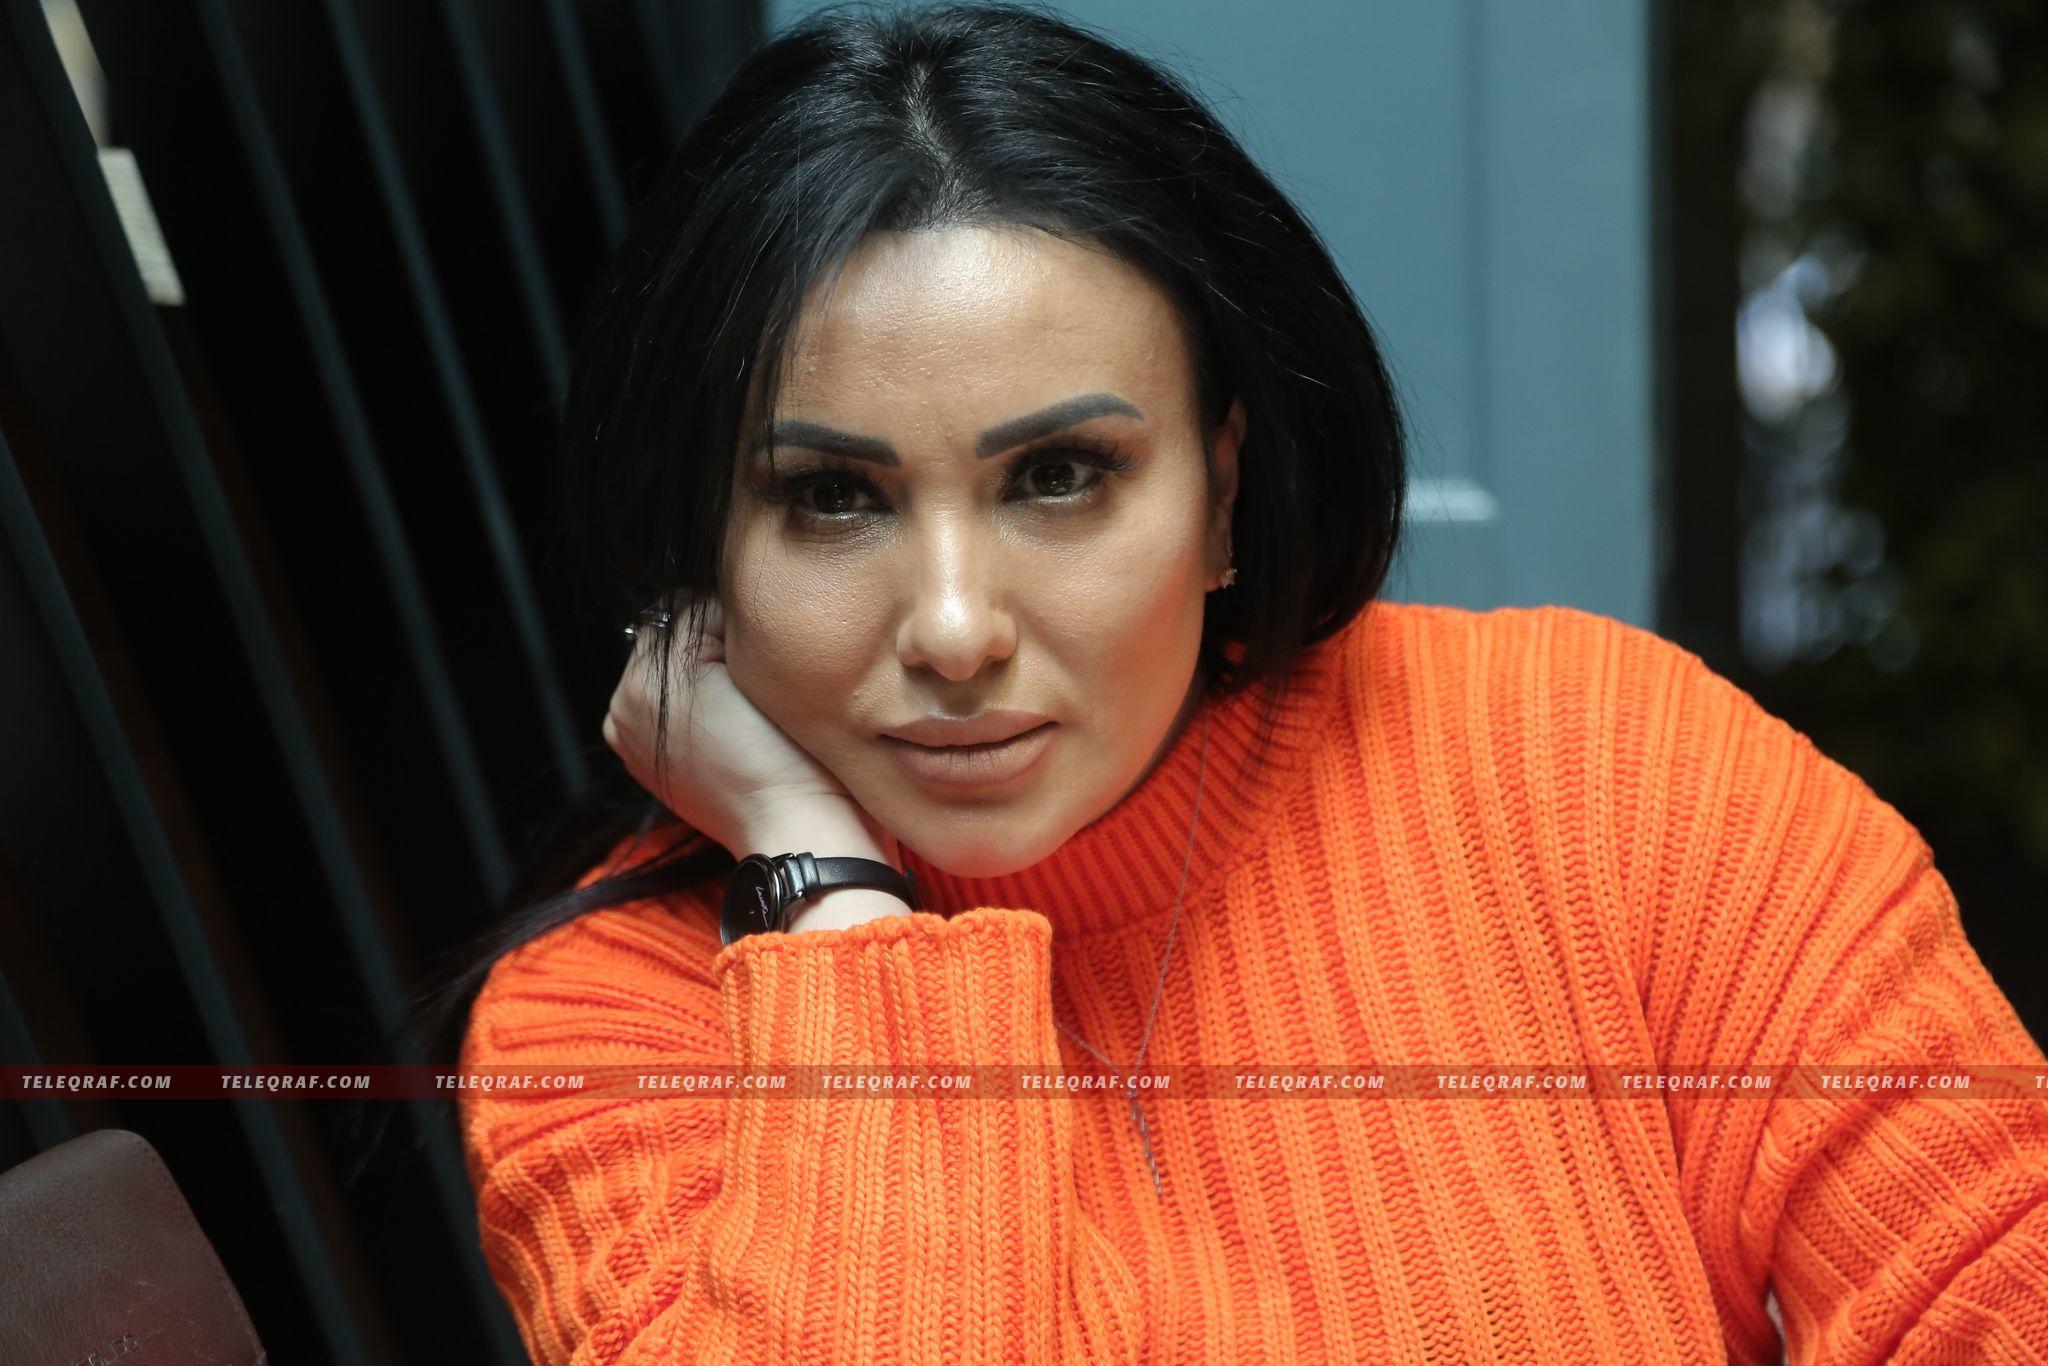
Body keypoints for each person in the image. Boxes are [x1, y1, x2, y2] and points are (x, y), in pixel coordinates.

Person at [433, 3, 2048, 1361]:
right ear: (701, 544)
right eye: (833, 497)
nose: (954, 628)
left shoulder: (1595, 765)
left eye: (1058, 475)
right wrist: (828, 898)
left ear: (1219, 491)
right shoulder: (607, 1026)